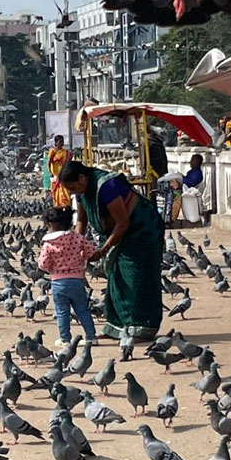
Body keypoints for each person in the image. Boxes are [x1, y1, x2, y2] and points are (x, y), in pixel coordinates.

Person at [58, 159, 164, 341]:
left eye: (73, 187)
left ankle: (141, 327)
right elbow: (81, 220)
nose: (72, 192)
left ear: (82, 178)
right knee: (116, 275)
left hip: (142, 230)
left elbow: (123, 222)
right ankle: (117, 326)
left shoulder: (106, 187)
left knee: (136, 277)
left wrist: (104, 249)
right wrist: (76, 244)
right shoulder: (82, 192)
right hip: (118, 232)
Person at [37, 205, 99, 346]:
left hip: (59, 282)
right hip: (77, 281)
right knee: (83, 309)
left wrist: (51, 268)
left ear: (50, 224)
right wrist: (82, 257)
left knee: (62, 312)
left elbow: (43, 264)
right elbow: (91, 252)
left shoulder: (48, 244)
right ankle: (91, 337)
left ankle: (65, 339)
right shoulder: (78, 238)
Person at [46, 135, 73, 207]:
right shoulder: (53, 151)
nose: (61, 143)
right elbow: (49, 163)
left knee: (65, 191)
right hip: (56, 177)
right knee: (57, 193)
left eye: (62, 142)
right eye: (60, 142)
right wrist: (50, 173)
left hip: (63, 175)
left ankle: (66, 206)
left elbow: (68, 163)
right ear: (56, 143)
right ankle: (58, 207)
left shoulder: (65, 152)